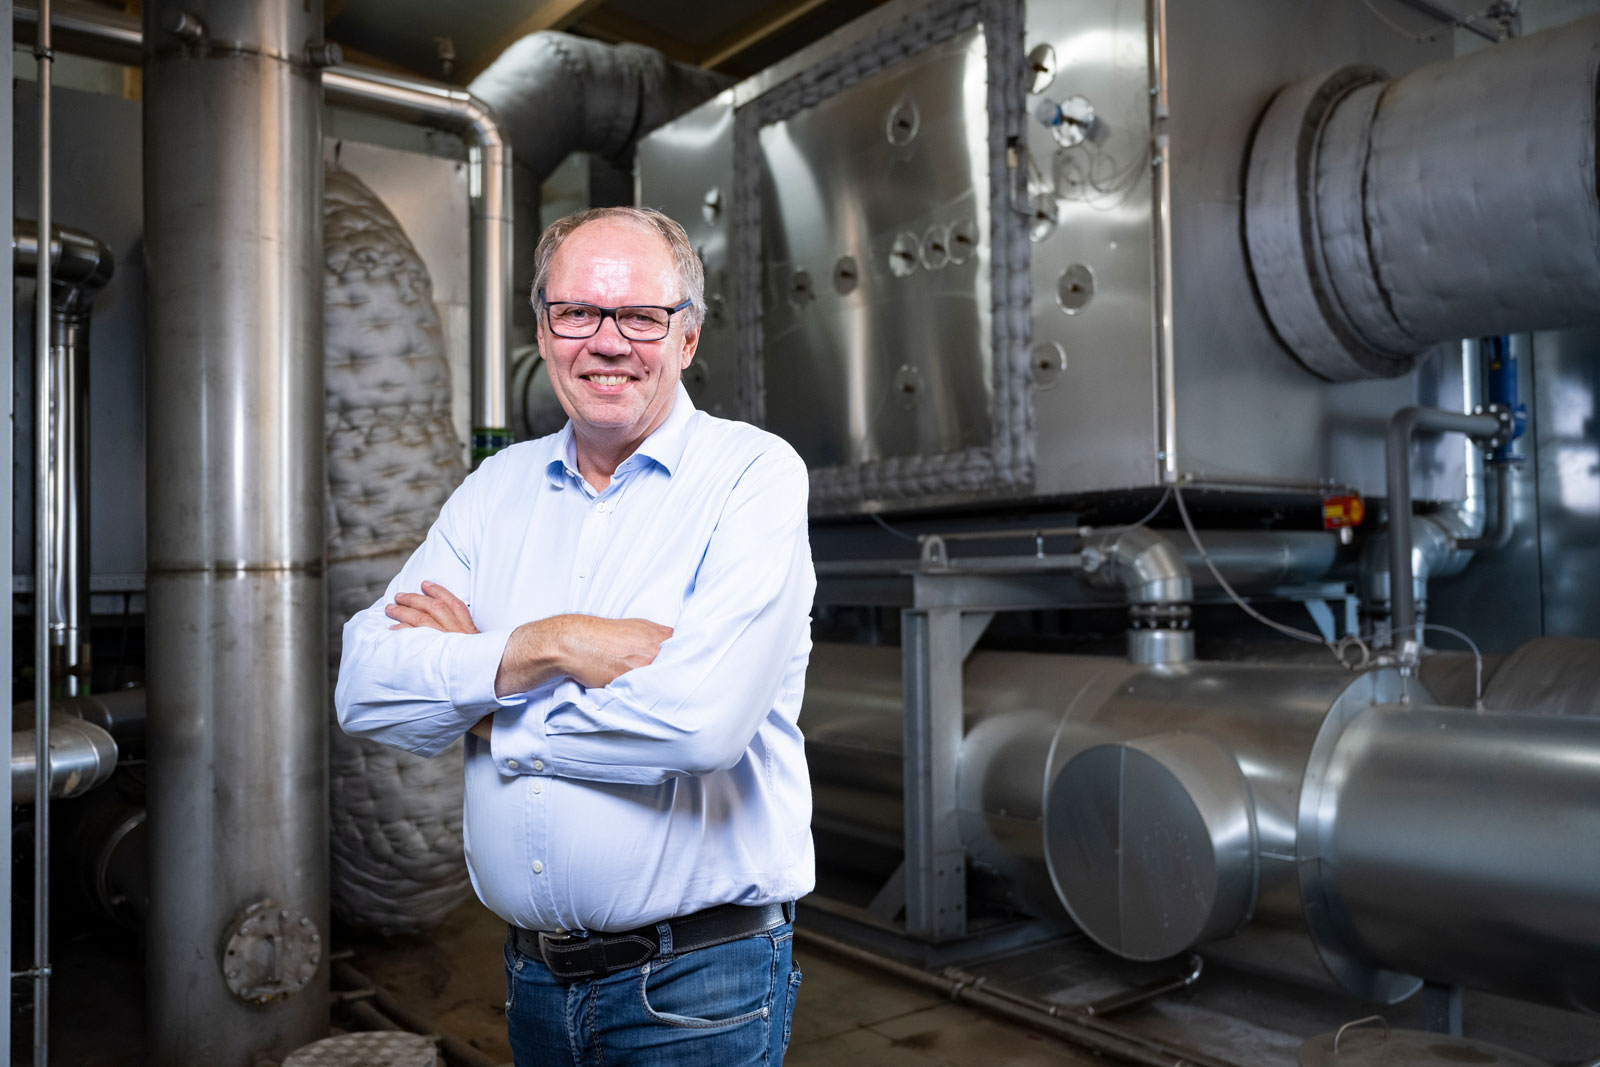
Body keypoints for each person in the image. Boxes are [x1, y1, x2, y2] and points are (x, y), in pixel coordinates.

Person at [335, 206, 815, 1066]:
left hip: (698, 986)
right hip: (533, 981)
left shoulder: (752, 475)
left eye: (640, 315)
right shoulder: (495, 489)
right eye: (578, 313)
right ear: (544, 329)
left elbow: (701, 724)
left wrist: (485, 707)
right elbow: (367, 684)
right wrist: (547, 645)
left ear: (688, 338)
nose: (607, 341)